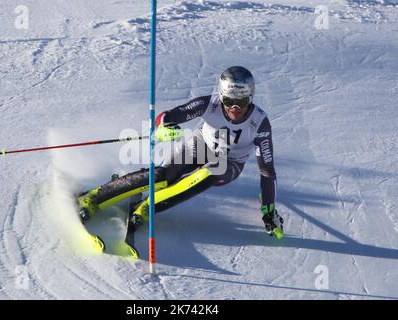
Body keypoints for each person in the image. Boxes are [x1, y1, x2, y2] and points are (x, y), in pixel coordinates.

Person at [78, 66, 284, 239]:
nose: (235, 109)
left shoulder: (259, 123)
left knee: (213, 170)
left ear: (251, 97)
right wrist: (165, 126)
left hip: (229, 162)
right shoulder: (209, 104)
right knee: (163, 176)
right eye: (229, 101)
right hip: (200, 145)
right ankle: (96, 196)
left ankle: (148, 207)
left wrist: (268, 208)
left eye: (242, 102)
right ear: (221, 96)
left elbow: (267, 171)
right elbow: (169, 115)